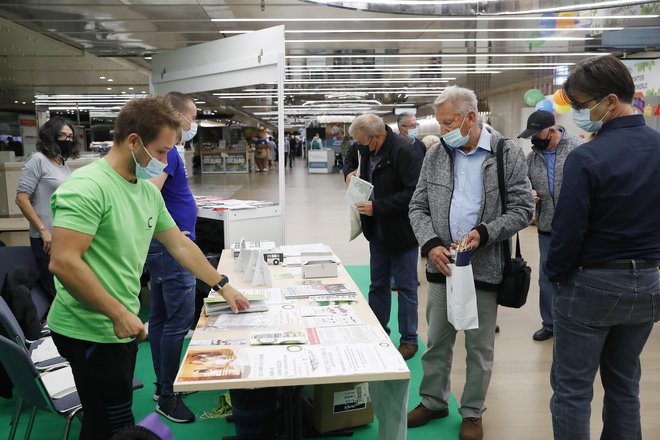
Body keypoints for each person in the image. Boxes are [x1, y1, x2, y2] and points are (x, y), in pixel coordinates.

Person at [47, 96, 250, 440]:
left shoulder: (145, 191)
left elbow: (179, 245)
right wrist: (117, 313)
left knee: (113, 419)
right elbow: (64, 262)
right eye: (160, 152)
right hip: (89, 328)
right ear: (133, 141)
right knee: (110, 422)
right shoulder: (87, 188)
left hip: (118, 323)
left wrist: (222, 284)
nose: (164, 160)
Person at [407, 85, 533, 440]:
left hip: (484, 267)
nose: (443, 131)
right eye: (441, 124)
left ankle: (473, 411)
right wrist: (430, 243)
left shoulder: (505, 154)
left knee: (479, 347)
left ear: (471, 118)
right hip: (440, 265)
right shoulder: (436, 156)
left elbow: (523, 210)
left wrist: (485, 232)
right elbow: (417, 206)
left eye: (449, 124)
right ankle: (433, 400)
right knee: (437, 341)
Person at [546, 55, 660, 440]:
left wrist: (556, 277)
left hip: (592, 284)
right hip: (647, 283)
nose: (576, 114)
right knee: (626, 386)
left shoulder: (586, 157)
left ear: (610, 101)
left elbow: (567, 232)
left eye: (580, 106)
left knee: (573, 391)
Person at [342, 114, 421, 361]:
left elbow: (414, 194)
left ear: (377, 137)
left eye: (363, 143)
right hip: (376, 231)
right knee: (378, 284)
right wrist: (348, 173)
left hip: (402, 232)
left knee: (406, 287)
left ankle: (409, 339)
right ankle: (379, 332)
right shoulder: (363, 145)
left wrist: (379, 207)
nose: (359, 148)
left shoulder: (403, 152)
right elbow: (349, 158)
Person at [145, 91, 200, 423]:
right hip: (171, 247)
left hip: (162, 244)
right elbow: (151, 190)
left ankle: (163, 384)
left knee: (161, 320)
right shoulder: (170, 153)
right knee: (176, 322)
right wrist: (169, 233)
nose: (194, 123)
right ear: (178, 117)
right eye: (192, 116)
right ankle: (168, 396)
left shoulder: (165, 151)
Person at [517, 110, 582, 342]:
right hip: (546, 226)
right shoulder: (532, 158)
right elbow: (522, 185)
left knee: (575, 274)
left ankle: (575, 322)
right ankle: (550, 323)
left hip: (576, 228)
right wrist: (530, 194)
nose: (534, 139)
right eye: (531, 135)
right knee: (546, 276)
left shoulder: (577, 149)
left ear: (552, 130)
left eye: (538, 133)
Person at [15, 116, 80, 300]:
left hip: (63, 236)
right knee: (56, 293)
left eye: (70, 137)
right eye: (62, 136)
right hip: (47, 239)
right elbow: (21, 199)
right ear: (51, 136)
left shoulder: (61, 162)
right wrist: (43, 230)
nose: (67, 140)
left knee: (67, 291)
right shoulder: (37, 160)